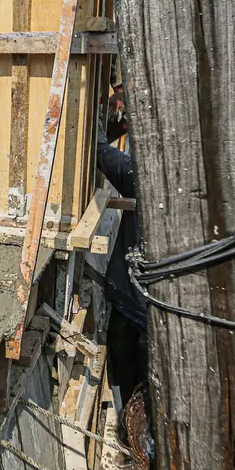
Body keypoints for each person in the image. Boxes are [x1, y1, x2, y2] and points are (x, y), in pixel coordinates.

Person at [94, 127, 147, 407]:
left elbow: (101, 151)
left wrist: (98, 119)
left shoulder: (137, 175)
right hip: (155, 311)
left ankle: (131, 427)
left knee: (127, 377)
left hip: (130, 303)